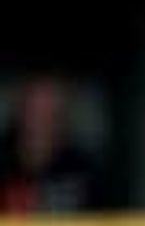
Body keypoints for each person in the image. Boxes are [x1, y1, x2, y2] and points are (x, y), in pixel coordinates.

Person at [2, 77, 109, 217]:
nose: (40, 123)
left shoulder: (83, 171)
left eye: (50, 114)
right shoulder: (4, 163)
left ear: (61, 119)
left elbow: (102, 224)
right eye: (34, 112)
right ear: (21, 114)